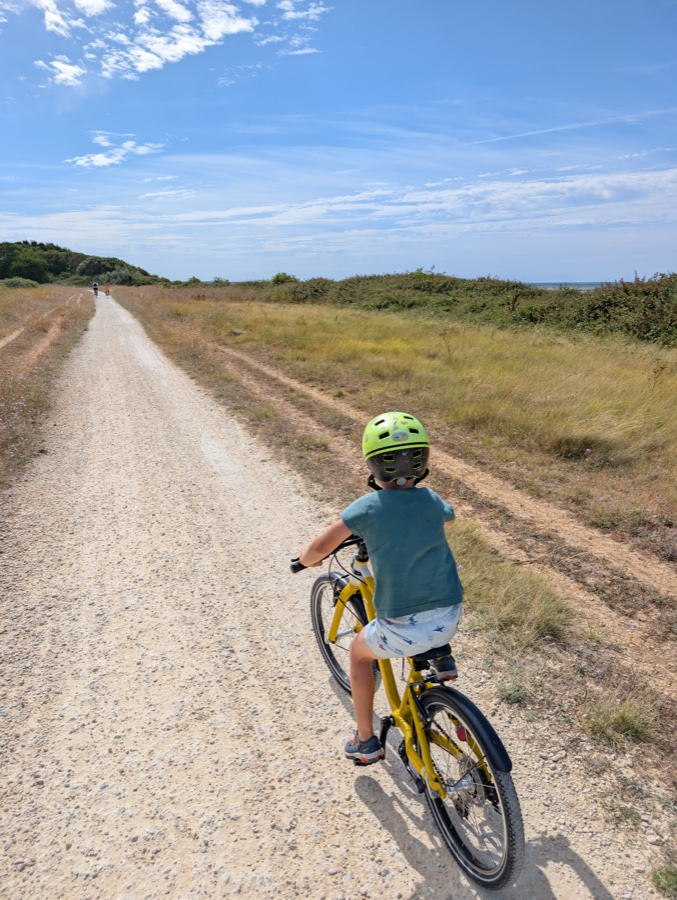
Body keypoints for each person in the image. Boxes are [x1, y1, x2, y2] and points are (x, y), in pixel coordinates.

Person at [296, 411, 464, 765]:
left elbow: (319, 548)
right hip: (450, 615)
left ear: (373, 464)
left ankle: (366, 740)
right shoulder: (431, 499)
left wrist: (307, 561)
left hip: (403, 626)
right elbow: (448, 517)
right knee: (429, 612)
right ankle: (441, 657)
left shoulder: (367, 508)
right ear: (422, 462)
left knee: (359, 654)